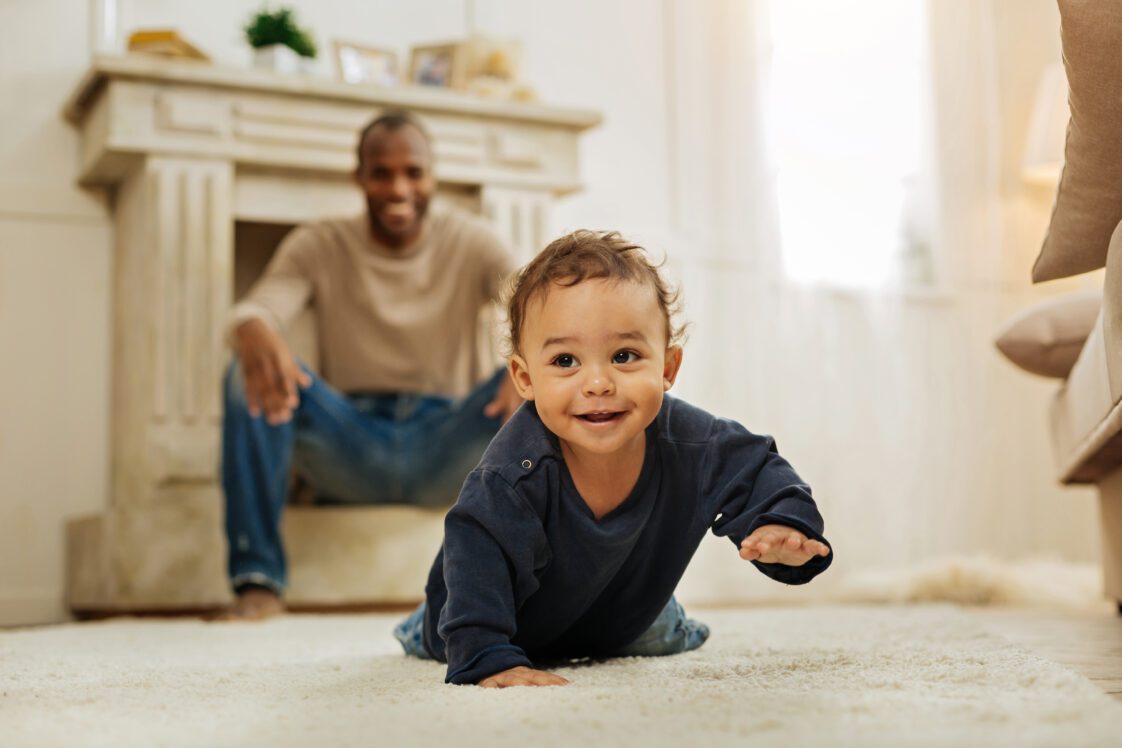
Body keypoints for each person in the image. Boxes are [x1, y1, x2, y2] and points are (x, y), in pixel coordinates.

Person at [393, 230, 833, 686]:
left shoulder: (696, 445)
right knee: (446, 626)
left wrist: (782, 523)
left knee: (655, 631)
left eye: (624, 356)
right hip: (504, 615)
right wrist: (486, 655)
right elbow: (475, 548)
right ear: (525, 379)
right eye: (565, 361)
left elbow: (757, 468)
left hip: (620, 616)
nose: (598, 383)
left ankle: (662, 621)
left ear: (667, 368)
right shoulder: (511, 474)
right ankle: (421, 623)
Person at [218, 110, 522, 620]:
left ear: (433, 177)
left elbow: (532, 302)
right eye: (381, 173)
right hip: (350, 442)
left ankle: (544, 578)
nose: (398, 187)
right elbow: (260, 307)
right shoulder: (318, 241)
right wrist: (251, 328)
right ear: (359, 177)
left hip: (447, 443)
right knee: (246, 371)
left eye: (413, 172)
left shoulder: (473, 240)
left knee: (546, 375)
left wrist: (527, 360)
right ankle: (258, 580)